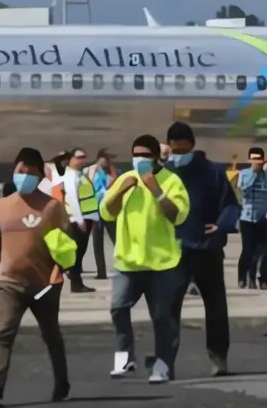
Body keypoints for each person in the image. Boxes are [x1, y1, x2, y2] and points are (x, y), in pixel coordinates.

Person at [0, 148, 76, 407]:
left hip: (44, 284)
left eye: (27, 172)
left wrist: (61, 273)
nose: (21, 176)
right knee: (3, 332)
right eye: (18, 171)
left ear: (38, 175)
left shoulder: (52, 206)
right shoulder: (2, 205)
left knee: (51, 334)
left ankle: (61, 382)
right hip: (8, 282)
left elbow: (66, 244)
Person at [100, 135, 190, 384]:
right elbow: (107, 211)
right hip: (128, 261)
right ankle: (124, 355)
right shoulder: (124, 179)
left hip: (161, 262)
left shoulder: (171, 181)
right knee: (118, 307)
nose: (139, 159)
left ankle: (162, 364)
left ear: (155, 156)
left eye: (144, 155)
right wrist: (122, 190)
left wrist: (156, 190)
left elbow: (178, 215)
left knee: (162, 317)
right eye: (135, 154)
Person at [164, 123, 238, 376]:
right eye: (175, 150)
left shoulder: (214, 172)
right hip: (175, 250)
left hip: (208, 249)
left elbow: (230, 205)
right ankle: (166, 361)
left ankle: (219, 358)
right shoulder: (165, 173)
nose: (179, 154)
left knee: (216, 307)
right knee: (169, 308)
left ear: (193, 146)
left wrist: (221, 226)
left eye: (183, 149)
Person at [58, 149, 98, 293]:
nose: (82, 160)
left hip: (87, 218)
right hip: (77, 220)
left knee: (80, 253)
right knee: (77, 253)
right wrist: (79, 219)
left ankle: (76, 280)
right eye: (78, 157)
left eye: (84, 157)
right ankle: (76, 282)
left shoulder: (80, 175)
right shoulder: (70, 176)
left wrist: (95, 216)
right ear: (71, 159)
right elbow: (72, 198)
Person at [236, 148, 267, 289]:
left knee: (263, 250)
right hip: (247, 218)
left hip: (263, 217)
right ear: (249, 160)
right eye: (253, 159)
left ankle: (260, 279)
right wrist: (254, 174)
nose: (257, 162)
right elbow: (243, 190)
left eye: (259, 159)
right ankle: (243, 276)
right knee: (248, 249)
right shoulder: (244, 174)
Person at [89, 152, 114, 280]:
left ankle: (121, 267)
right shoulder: (93, 174)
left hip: (106, 210)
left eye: (106, 162)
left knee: (114, 241)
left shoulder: (108, 175)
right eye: (102, 161)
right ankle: (101, 272)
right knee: (98, 243)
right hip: (98, 210)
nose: (103, 164)